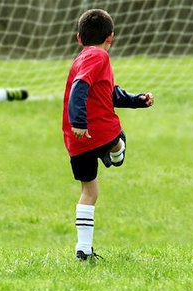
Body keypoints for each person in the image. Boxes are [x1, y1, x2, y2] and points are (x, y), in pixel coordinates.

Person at [62, 9, 154, 261]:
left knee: (90, 192)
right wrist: (80, 120)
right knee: (118, 139)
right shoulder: (98, 55)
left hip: (75, 141)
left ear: (79, 38)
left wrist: (136, 100)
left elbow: (109, 92)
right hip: (99, 131)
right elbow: (80, 86)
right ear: (111, 37)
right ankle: (115, 152)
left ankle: (83, 249)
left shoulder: (82, 57)